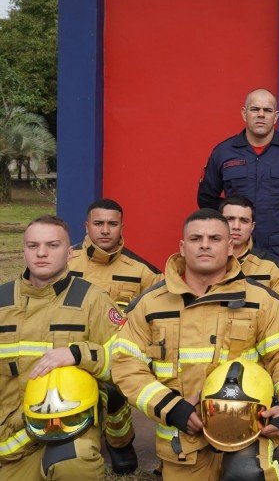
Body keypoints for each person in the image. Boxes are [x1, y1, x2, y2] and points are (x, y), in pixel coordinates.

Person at [111, 209, 279, 480]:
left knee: (247, 474)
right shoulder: (151, 303)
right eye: (196, 238)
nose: (204, 244)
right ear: (182, 246)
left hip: (248, 437)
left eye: (214, 238)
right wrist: (171, 407)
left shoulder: (262, 301)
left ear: (229, 247)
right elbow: (126, 364)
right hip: (183, 444)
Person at [0, 215, 120, 479]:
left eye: (52, 245)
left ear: (69, 253)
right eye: (33, 246)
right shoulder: (1, 301)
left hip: (67, 430)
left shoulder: (93, 301)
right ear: (24, 251)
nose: (41, 253)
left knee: (74, 461)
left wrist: (78, 355)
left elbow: (126, 362)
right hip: (9, 436)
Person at [68, 198, 162, 474]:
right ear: (87, 226)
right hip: (70, 347)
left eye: (112, 223)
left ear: (122, 227)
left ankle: (120, 443)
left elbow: (159, 311)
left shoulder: (141, 270)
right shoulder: (65, 262)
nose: (105, 230)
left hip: (116, 354)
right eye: (98, 224)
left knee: (113, 391)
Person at [197, 88, 279, 283]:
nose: (261, 115)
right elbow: (206, 199)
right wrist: (232, 218)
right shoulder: (224, 152)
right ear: (244, 113)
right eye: (255, 109)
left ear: (275, 116)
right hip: (234, 250)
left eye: (267, 110)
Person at [220, 195, 279, 322]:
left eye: (244, 220)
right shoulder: (202, 262)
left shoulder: (273, 267)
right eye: (230, 219)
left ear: (252, 226)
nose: (236, 226)